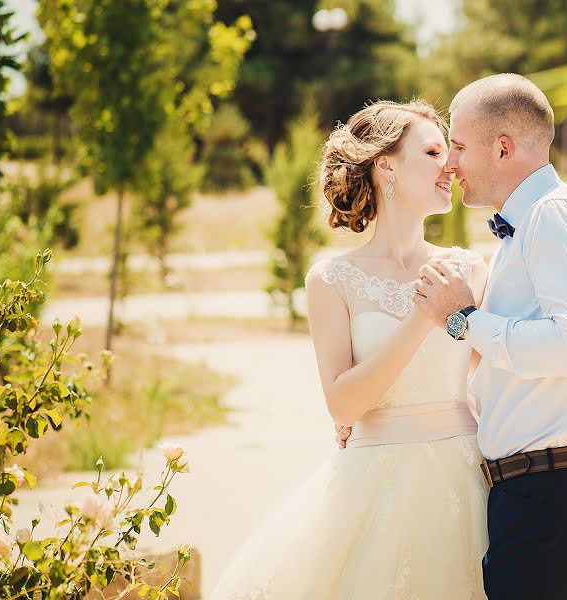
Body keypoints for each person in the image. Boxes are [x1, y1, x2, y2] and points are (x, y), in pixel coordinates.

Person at [209, 99, 492, 599]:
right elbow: (342, 404)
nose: (450, 165)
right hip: (373, 484)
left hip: (466, 480)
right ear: (386, 166)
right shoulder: (332, 279)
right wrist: (423, 317)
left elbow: (489, 379)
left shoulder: (469, 270)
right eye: (431, 151)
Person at [410, 73, 567, 599]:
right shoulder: (530, 223)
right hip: (542, 489)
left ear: (502, 148)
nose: (450, 163)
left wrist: (463, 319)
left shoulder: (554, 217)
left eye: (458, 146)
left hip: (553, 493)